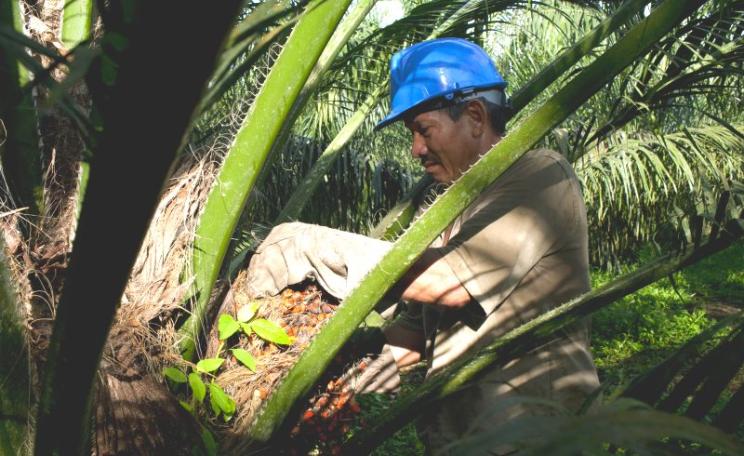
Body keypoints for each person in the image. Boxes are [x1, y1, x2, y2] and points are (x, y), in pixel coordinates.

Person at [246, 37, 599, 454]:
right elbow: (415, 335)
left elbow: (450, 282)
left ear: (474, 115)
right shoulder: (451, 211)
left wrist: (311, 244)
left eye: (423, 129)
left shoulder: (538, 174)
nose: (415, 149)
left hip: (534, 436)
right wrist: (349, 363)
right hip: (460, 438)